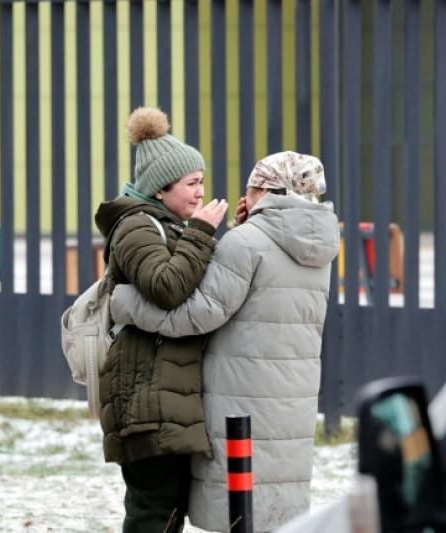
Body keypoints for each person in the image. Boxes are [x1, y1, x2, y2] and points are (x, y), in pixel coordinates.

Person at [110, 151, 341, 532]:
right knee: (275, 500)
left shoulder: (247, 242)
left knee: (238, 505)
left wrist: (125, 302)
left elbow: (196, 315)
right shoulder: (319, 246)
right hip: (293, 399)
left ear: (265, 189)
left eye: (250, 185)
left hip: (240, 395)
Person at [93, 106, 228, 533]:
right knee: (153, 510)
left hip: (163, 394)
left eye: (201, 182)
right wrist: (202, 234)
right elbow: (167, 286)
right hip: (146, 398)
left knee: (165, 510)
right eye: (192, 183)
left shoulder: (166, 226)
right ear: (161, 188)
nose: (200, 193)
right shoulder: (136, 226)